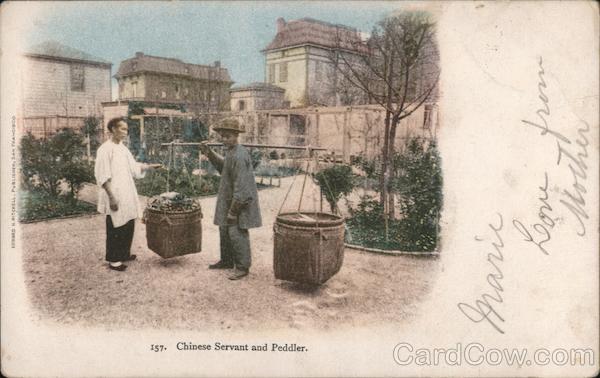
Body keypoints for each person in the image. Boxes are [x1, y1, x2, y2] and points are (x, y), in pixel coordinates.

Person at [94, 117, 161, 271]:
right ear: (113, 130)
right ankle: (113, 259)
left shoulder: (123, 148)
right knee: (115, 225)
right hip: (114, 191)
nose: (125, 132)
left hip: (127, 191)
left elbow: (133, 167)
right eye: (122, 129)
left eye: (126, 129)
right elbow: (102, 175)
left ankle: (123, 253)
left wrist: (150, 166)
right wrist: (111, 197)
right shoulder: (105, 149)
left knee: (128, 222)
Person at [199, 118, 262, 280]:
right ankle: (227, 260)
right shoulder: (231, 152)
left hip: (239, 201)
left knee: (236, 231)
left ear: (236, 136)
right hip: (229, 198)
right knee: (224, 229)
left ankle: (242, 266)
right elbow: (224, 166)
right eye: (222, 136)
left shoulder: (240, 156)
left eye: (228, 136)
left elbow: (242, 188)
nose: (224, 139)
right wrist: (209, 153)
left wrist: (234, 210)